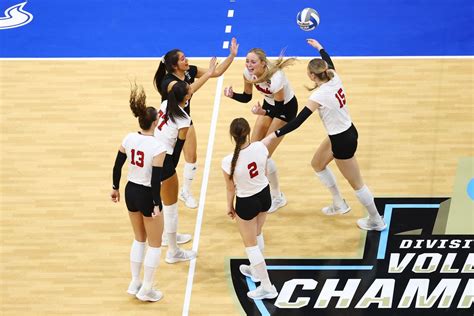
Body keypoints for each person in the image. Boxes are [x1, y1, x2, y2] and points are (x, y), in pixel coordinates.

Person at [261, 39, 386, 231]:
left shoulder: (318, 96)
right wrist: (320, 48)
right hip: (343, 132)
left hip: (342, 140)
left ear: (312, 76)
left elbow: (298, 121)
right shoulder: (334, 77)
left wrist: (274, 135)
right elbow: (329, 61)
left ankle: (376, 220)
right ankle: (339, 203)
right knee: (317, 164)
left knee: (357, 184)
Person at [154, 38, 239, 209]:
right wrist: (208, 74)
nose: (187, 60)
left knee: (191, 157)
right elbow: (189, 91)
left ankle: (185, 191)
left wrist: (232, 55)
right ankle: (159, 192)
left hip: (184, 119)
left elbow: (216, 72)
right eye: (183, 59)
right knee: (169, 160)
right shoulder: (168, 82)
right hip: (170, 123)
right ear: (174, 66)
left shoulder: (188, 71)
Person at [155, 57, 218, 263]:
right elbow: (178, 149)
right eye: (189, 91)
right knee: (171, 207)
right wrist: (169, 171)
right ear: (186, 98)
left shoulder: (165, 104)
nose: (191, 91)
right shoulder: (183, 118)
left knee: (164, 202)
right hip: (163, 161)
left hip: (153, 154)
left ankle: (167, 236)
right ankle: (173, 252)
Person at [110, 83, 167, 302]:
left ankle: (135, 281)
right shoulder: (158, 147)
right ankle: (147, 289)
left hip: (130, 191)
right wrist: (156, 203)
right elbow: (155, 179)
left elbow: (117, 166)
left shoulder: (129, 138)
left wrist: (114, 187)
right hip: (146, 194)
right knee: (154, 243)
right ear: (156, 122)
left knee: (139, 239)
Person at [224, 47, 297, 213]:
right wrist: (232, 95)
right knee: (252, 148)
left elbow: (279, 109)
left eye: (253, 62)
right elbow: (247, 96)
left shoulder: (276, 78)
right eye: (247, 61)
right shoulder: (247, 73)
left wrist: (262, 113)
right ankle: (262, 188)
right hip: (268, 107)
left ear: (263, 64)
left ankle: (278, 197)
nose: (249, 65)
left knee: (264, 154)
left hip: (285, 110)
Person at [222, 117, 278, 300]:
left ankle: (267, 286)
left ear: (232, 136)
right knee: (258, 233)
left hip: (247, 202)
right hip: (264, 195)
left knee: (250, 245)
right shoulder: (261, 147)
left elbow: (231, 188)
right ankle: (256, 270)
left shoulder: (228, 161)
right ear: (247, 133)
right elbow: (265, 169)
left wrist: (229, 206)